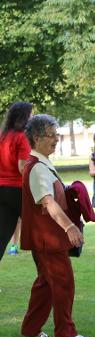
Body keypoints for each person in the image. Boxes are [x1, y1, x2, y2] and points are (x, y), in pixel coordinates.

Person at [21, 114, 87, 337]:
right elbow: (48, 202)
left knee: (45, 284)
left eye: (56, 135)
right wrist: (70, 227)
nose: (56, 139)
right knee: (63, 282)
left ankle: (30, 329)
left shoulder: (41, 163)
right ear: (37, 138)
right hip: (47, 237)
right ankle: (65, 332)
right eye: (52, 135)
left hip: (45, 236)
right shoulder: (37, 167)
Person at [0, 101, 32, 262]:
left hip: (1, 189)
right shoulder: (21, 137)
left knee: (2, 236)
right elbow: (22, 167)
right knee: (38, 232)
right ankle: (47, 279)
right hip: (17, 189)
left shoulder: (3, 136)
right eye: (30, 114)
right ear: (24, 116)